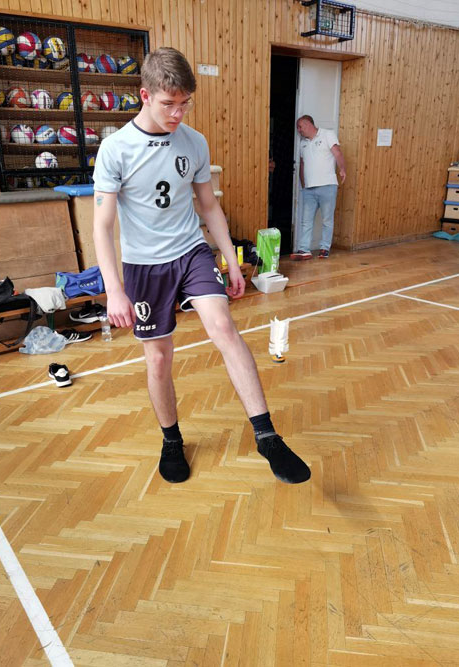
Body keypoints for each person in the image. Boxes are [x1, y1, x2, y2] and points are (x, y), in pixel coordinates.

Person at [93, 47, 310, 485]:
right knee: (159, 359)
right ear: (145, 95)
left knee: (224, 327)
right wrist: (114, 289)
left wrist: (232, 260)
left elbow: (209, 206)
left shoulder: (194, 141)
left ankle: (266, 436)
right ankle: (172, 440)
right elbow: (102, 226)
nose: (177, 113)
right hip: (144, 265)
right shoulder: (115, 149)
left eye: (185, 103)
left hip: (191, 250)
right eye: (168, 104)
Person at [291, 115, 346, 260]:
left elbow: (338, 153)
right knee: (306, 220)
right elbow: (302, 164)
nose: (299, 130)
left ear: (307, 124)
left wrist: (342, 169)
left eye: (300, 127)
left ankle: (324, 248)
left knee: (327, 219)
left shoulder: (328, 134)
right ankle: (304, 250)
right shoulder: (303, 143)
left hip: (327, 186)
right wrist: (303, 185)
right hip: (309, 189)